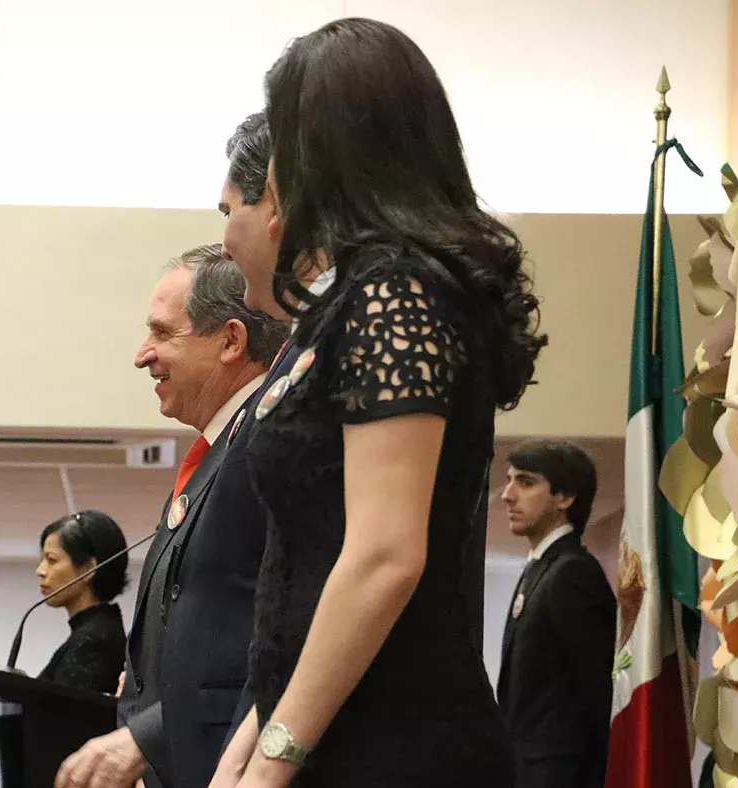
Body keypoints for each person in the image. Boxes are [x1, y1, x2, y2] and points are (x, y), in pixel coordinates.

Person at [210, 18, 545, 787]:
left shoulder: (398, 291)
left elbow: (385, 557)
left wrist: (271, 763)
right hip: (340, 727)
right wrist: (249, 747)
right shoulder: (356, 298)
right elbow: (317, 559)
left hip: (394, 741)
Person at [56, 239, 289, 788]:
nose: (142, 353)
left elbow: (269, 636)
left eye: (162, 332)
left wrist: (148, 735)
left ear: (231, 340)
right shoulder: (221, 451)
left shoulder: (265, 444)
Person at [497, 439, 615, 788]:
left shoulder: (573, 573)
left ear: (565, 498)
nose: (507, 494)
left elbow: (597, 692)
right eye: (508, 479)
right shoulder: (541, 568)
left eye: (526, 482)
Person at [35, 509, 130, 694]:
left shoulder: (93, 641)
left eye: (51, 560)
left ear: (88, 569)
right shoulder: (97, 631)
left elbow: (62, 718)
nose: (40, 570)